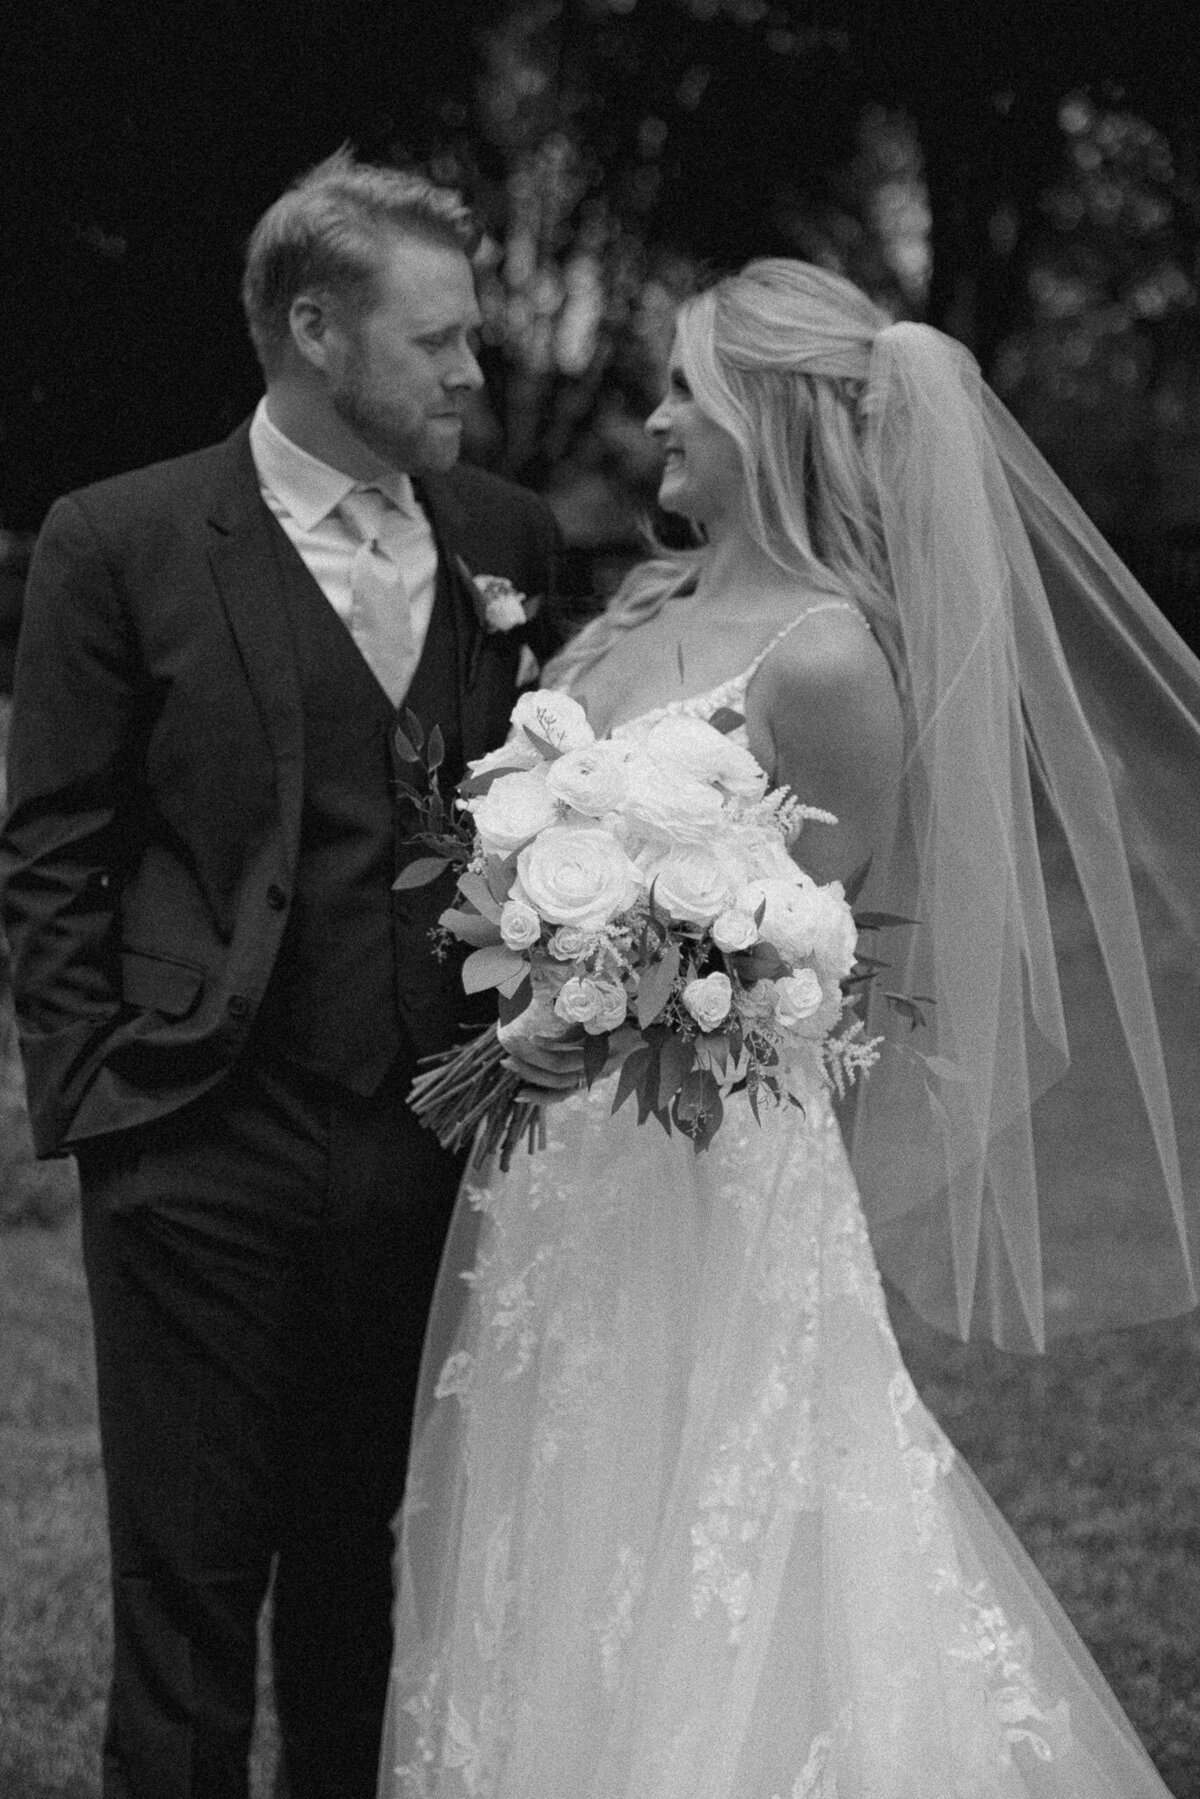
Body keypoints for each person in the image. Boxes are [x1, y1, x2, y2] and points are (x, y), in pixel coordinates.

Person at [377, 262, 1200, 1796]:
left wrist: (635, 1015)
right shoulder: (645, 601)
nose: (654, 416)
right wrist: (545, 996)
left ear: (767, 414)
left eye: (686, 386)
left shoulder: (826, 656)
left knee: (730, 1541)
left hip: (714, 1184)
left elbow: (830, 963)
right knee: (561, 1518)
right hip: (561, 1181)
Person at [0, 151, 561, 1799]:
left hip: (435, 1143)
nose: (473, 373)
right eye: (439, 341)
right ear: (314, 332)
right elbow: (51, 847)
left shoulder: (507, 536)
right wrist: (106, 1103)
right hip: (195, 1140)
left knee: (365, 1570)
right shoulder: (125, 539)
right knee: (185, 1586)